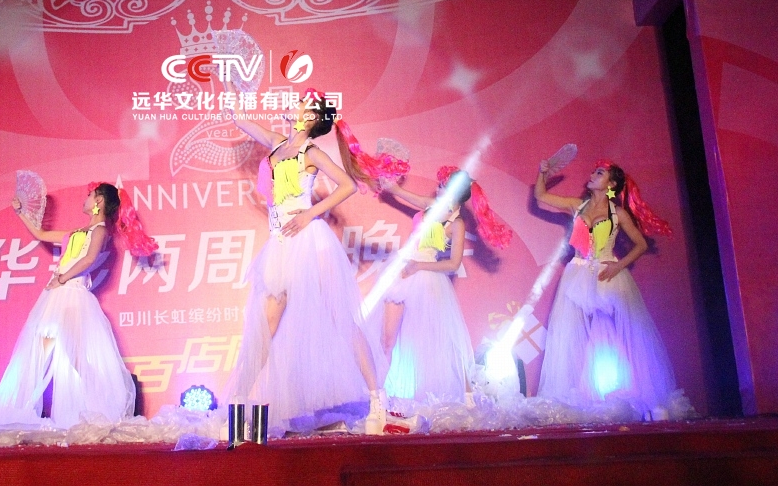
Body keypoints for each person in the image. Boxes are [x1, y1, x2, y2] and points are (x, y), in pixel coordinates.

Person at [225, 91, 407, 435]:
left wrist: (310, 213)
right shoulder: (277, 143)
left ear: (309, 118)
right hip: (281, 243)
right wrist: (232, 90)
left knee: (341, 316)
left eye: (301, 104)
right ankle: (238, 403)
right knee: (267, 325)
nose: (292, 104)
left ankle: (377, 401)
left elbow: (348, 184)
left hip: (311, 242)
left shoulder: (311, 152)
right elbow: (240, 119)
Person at [0, 182, 156, 429]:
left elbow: (89, 259)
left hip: (72, 294)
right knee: (39, 349)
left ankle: (102, 405)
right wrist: (20, 212)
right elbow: (40, 234)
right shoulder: (75, 233)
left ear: (99, 201)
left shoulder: (100, 230)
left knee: (74, 354)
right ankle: (18, 410)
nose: (86, 198)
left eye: (90, 195)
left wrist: (62, 278)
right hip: (55, 295)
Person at [534, 159, 689, 419]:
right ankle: (581, 397)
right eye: (594, 171)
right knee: (572, 334)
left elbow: (640, 244)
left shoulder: (618, 214)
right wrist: (543, 173)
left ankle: (619, 394)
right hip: (577, 274)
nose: (593, 174)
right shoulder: (577, 205)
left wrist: (619, 266)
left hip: (606, 275)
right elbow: (541, 196)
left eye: (600, 173)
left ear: (611, 184)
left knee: (612, 334)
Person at [376, 167, 512, 406]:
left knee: (435, 341)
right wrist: (388, 182)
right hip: (402, 272)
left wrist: (419, 266)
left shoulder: (456, 223)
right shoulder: (430, 205)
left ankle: (464, 397)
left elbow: (453, 263)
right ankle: (377, 397)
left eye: (442, 185)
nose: (437, 188)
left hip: (426, 279)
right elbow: (400, 193)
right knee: (387, 340)